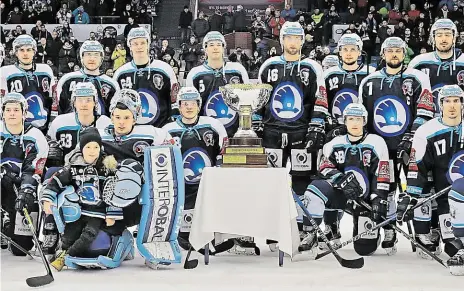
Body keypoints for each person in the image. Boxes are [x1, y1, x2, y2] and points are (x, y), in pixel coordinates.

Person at [358, 37, 435, 253]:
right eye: (390, 50)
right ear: (383, 54)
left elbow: (425, 109)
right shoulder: (370, 81)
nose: (394, 54)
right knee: (387, 188)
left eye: (398, 51)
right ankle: (389, 228)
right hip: (383, 147)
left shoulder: (417, 78)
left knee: (420, 187)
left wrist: (411, 136)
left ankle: (422, 232)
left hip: (413, 146)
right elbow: (362, 115)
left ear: (404, 54)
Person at [257, 21, 327, 251]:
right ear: (282, 40)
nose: (293, 42)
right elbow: (259, 99)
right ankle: (273, 228)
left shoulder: (312, 67)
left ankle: (302, 228)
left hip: (300, 132)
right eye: (289, 37)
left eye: (297, 38)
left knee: (302, 181)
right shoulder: (269, 65)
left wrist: (316, 125)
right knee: (270, 181)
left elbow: (320, 98)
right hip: (272, 132)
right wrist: (257, 124)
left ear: (302, 40)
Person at [297, 103, 393, 256]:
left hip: (365, 200)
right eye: (351, 119)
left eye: (358, 119)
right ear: (345, 121)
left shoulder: (377, 142)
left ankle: (376, 232)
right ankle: (312, 232)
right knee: (314, 190)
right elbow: (324, 167)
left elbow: (382, 174)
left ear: (364, 121)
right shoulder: (334, 143)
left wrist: (377, 198)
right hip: (342, 196)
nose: (354, 123)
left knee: (364, 249)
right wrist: (340, 179)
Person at [407, 19, 464, 251]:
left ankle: (451, 230)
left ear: (455, 37)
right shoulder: (420, 62)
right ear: (432, 37)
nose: (443, 38)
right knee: (427, 184)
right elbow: (409, 97)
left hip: (458, 130)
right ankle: (429, 231)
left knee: (450, 177)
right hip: (429, 132)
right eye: (439, 34)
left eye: (447, 34)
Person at [397, 85, 464, 275]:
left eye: (457, 101)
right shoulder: (426, 131)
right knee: (452, 246)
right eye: (447, 101)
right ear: (440, 105)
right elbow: (417, 168)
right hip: (446, 200)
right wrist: (410, 197)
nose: (452, 106)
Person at [42, 82, 111, 254]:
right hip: (71, 174)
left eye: (89, 100)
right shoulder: (60, 122)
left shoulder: (106, 123)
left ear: (96, 102)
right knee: (51, 174)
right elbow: (50, 148)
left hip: (96, 178)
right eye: (80, 100)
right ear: (73, 102)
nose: (84, 104)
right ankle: (51, 228)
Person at [41, 127, 122, 271]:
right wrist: (48, 199)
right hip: (79, 211)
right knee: (69, 234)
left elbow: (113, 192)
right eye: (88, 147)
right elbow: (56, 181)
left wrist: (112, 214)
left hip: (97, 213)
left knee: (88, 235)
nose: (92, 150)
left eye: (96, 147)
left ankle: (66, 257)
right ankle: (64, 249)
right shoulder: (73, 168)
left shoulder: (106, 169)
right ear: (81, 148)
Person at [162, 87, 227, 252]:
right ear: (179, 106)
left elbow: (224, 153)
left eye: (192, 103)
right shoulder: (167, 131)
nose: (189, 107)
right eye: (185, 104)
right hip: (182, 187)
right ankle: (184, 236)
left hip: (208, 185)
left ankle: (215, 238)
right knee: (185, 230)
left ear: (199, 105)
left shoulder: (213, 125)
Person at [0, 92, 48, 256]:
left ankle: (9, 225)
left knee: (21, 248)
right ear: (3, 112)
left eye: (16, 110)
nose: (12, 113)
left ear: (24, 113)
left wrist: (26, 191)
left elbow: (34, 169)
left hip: (20, 187)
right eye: (8, 110)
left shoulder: (35, 136)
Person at [186, 31, 249, 137]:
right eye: (211, 45)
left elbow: (247, 100)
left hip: (235, 132)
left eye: (219, 44)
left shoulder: (237, 69)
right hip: (205, 133)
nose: (215, 48)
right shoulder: (195, 73)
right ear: (205, 49)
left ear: (224, 47)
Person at [113, 27, 179, 127]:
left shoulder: (165, 69)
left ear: (148, 44)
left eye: (142, 43)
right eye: (135, 43)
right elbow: (115, 106)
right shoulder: (120, 73)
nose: (139, 47)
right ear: (129, 46)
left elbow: (175, 102)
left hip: (159, 132)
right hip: (130, 133)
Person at [0, 34, 56, 132]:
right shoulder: (6, 72)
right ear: (16, 53)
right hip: (15, 128)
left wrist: (51, 125)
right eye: (21, 50)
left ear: (34, 52)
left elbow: (53, 101)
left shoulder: (46, 70)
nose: (25, 53)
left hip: (43, 128)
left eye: (29, 50)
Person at [324, 34, 374, 139]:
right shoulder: (329, 74)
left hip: (362, 129)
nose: (349, 53)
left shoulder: (371, 74)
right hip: (334, 128)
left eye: (353, 49)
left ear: (359, 52)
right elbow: (322, 102)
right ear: (340, 52)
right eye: (345, 49)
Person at [56, 40, 120, 117]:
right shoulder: (67, 79)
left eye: (96, 55)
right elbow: (59, 108)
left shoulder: (111, 84)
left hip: (100, 127)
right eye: (88, 54)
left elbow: (114, 114)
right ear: (82, 57)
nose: (92, 59)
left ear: (101, 58)